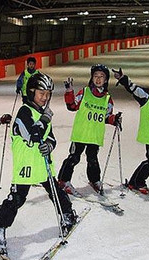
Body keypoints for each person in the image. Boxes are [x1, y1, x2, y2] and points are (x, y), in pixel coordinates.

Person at [0, 72, 77, 256]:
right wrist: (45, 119)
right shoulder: (24, 112)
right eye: (41, 93)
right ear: (31, 92)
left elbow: (50, 137)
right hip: (26, 165)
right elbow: (34, 133)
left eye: (47, 94)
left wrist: (50, 146)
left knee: (55, 191)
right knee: (17, 198)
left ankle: (67, 213)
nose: (45, 98)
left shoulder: (41, 112)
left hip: (42, 163)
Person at [57, 64, 122, 195]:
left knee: (92, 159)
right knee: (74, 157)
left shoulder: (107, 99)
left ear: (106, 80)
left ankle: (95, 180)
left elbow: (106, 116)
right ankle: (63, 181)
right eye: (95, 76)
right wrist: (69, 91)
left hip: (94, 135)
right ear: (91, 78)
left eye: (101, 77)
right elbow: (72, 106)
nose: (98, 79)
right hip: (81, 133)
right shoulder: (85, 92)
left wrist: (114, 119)